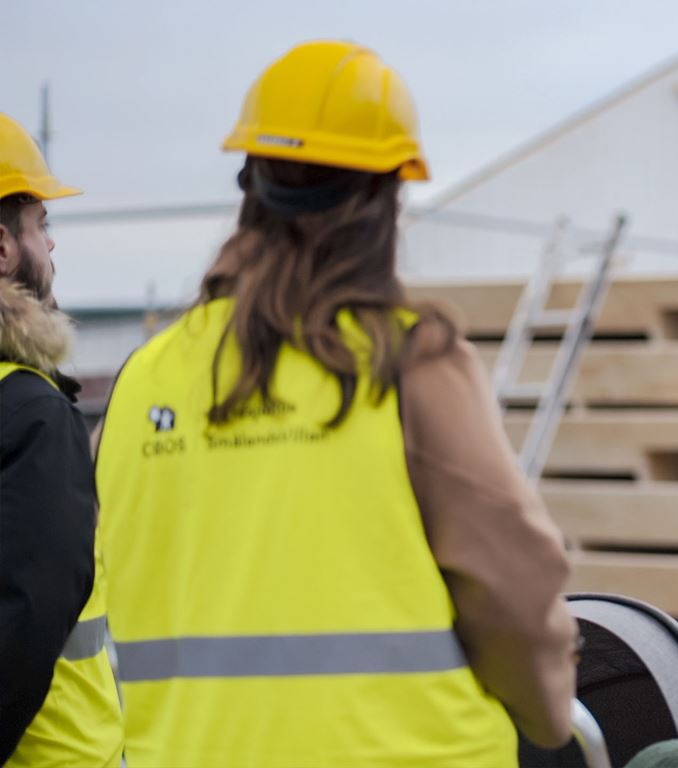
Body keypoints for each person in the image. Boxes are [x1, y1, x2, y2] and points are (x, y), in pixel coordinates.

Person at [94, 41, 577, 767]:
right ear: (386, 197)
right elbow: (513, 588)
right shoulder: (408, 362)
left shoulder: (144, 380)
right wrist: (550, 718)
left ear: (249, 181)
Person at [0, 114, 123, 766]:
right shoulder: (30, 415)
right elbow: (24, 627)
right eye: (41, 226)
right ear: (2, 249)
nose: (52, 248)